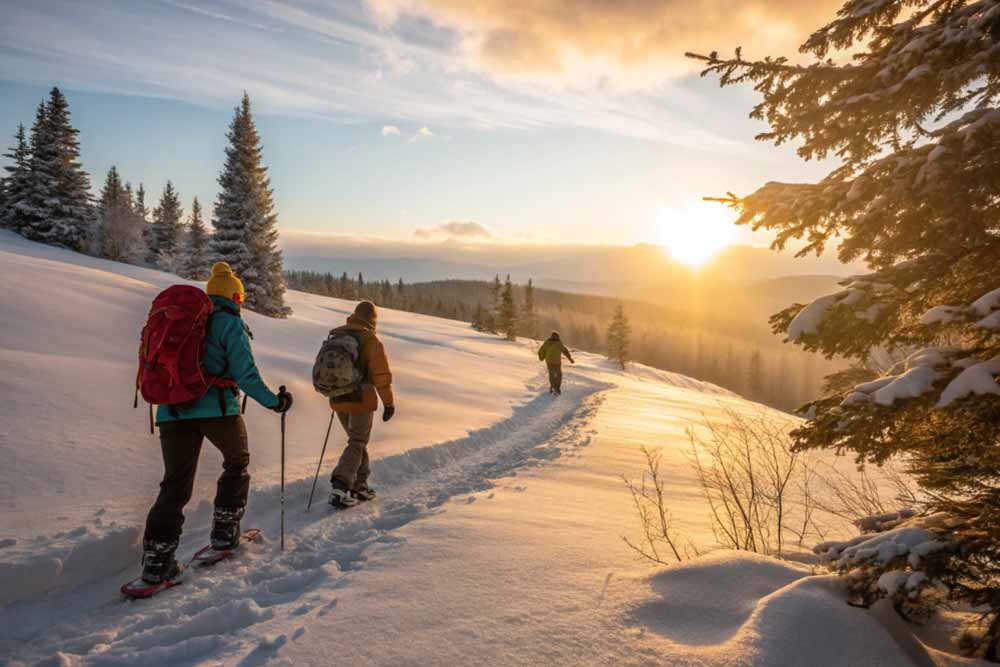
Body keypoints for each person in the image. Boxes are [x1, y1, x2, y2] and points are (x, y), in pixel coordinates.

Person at [140, 262, 293, 584]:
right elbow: (245, 374)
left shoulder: (183, 319)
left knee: (175, 485)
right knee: (237, 463)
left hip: (171, 411)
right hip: (218, 410)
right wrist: (275, 403)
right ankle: (225, 534)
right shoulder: (228, 323)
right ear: (235, 296)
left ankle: (157, 562)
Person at [328, 300, 395, 508]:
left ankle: (360, 485)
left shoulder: (338, 334)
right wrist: (389, 403)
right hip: (361, 399)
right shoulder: (370, 340)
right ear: (373, 319)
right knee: (357, 441)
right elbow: (381, 376)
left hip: (337, 398)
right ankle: (341, 485)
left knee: (357, 441)